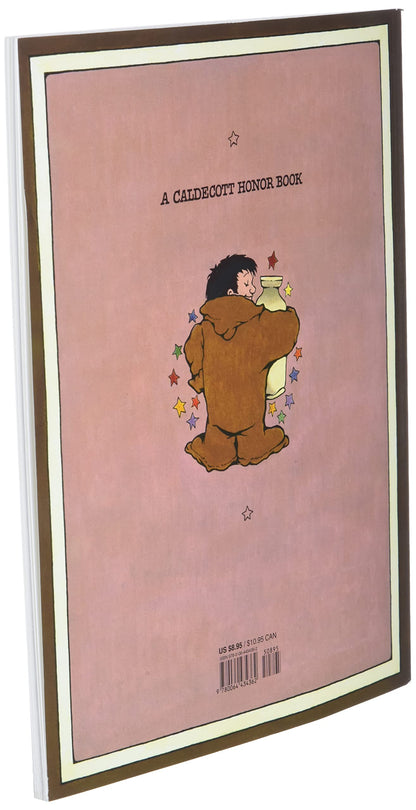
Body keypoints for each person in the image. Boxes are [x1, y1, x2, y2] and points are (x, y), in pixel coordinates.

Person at [184, 254, 300, 471]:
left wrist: (201, 377)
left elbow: (192, 351)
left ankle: (219, 449)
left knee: (216, 440)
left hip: (218, 417)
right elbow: (285, 330)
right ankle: (249, 447)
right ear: (231, 293)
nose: (253, 290)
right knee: (255, 438)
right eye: (247, 285)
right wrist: (290, 314)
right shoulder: (257, 325)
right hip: (251, 417)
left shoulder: (204, 329)